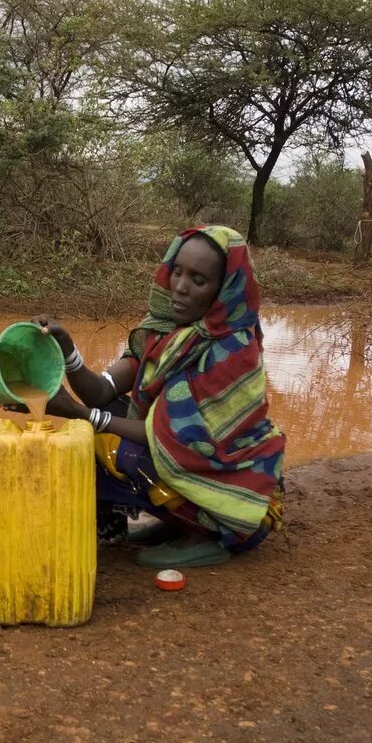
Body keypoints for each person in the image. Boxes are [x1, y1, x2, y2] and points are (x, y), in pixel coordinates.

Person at [22, 226, 285, 569]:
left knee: (119, 448)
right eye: (177, 271)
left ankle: (208, 535)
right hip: (197, 472)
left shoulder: (232, 352)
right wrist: (66, 350)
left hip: (241, 508)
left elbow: (165, 439)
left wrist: (75, 412)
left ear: (223, 291)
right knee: (107, 416)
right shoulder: (166, 333)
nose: (180, 287)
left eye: (198, 279)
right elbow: (100, 391)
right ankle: (168, 524)